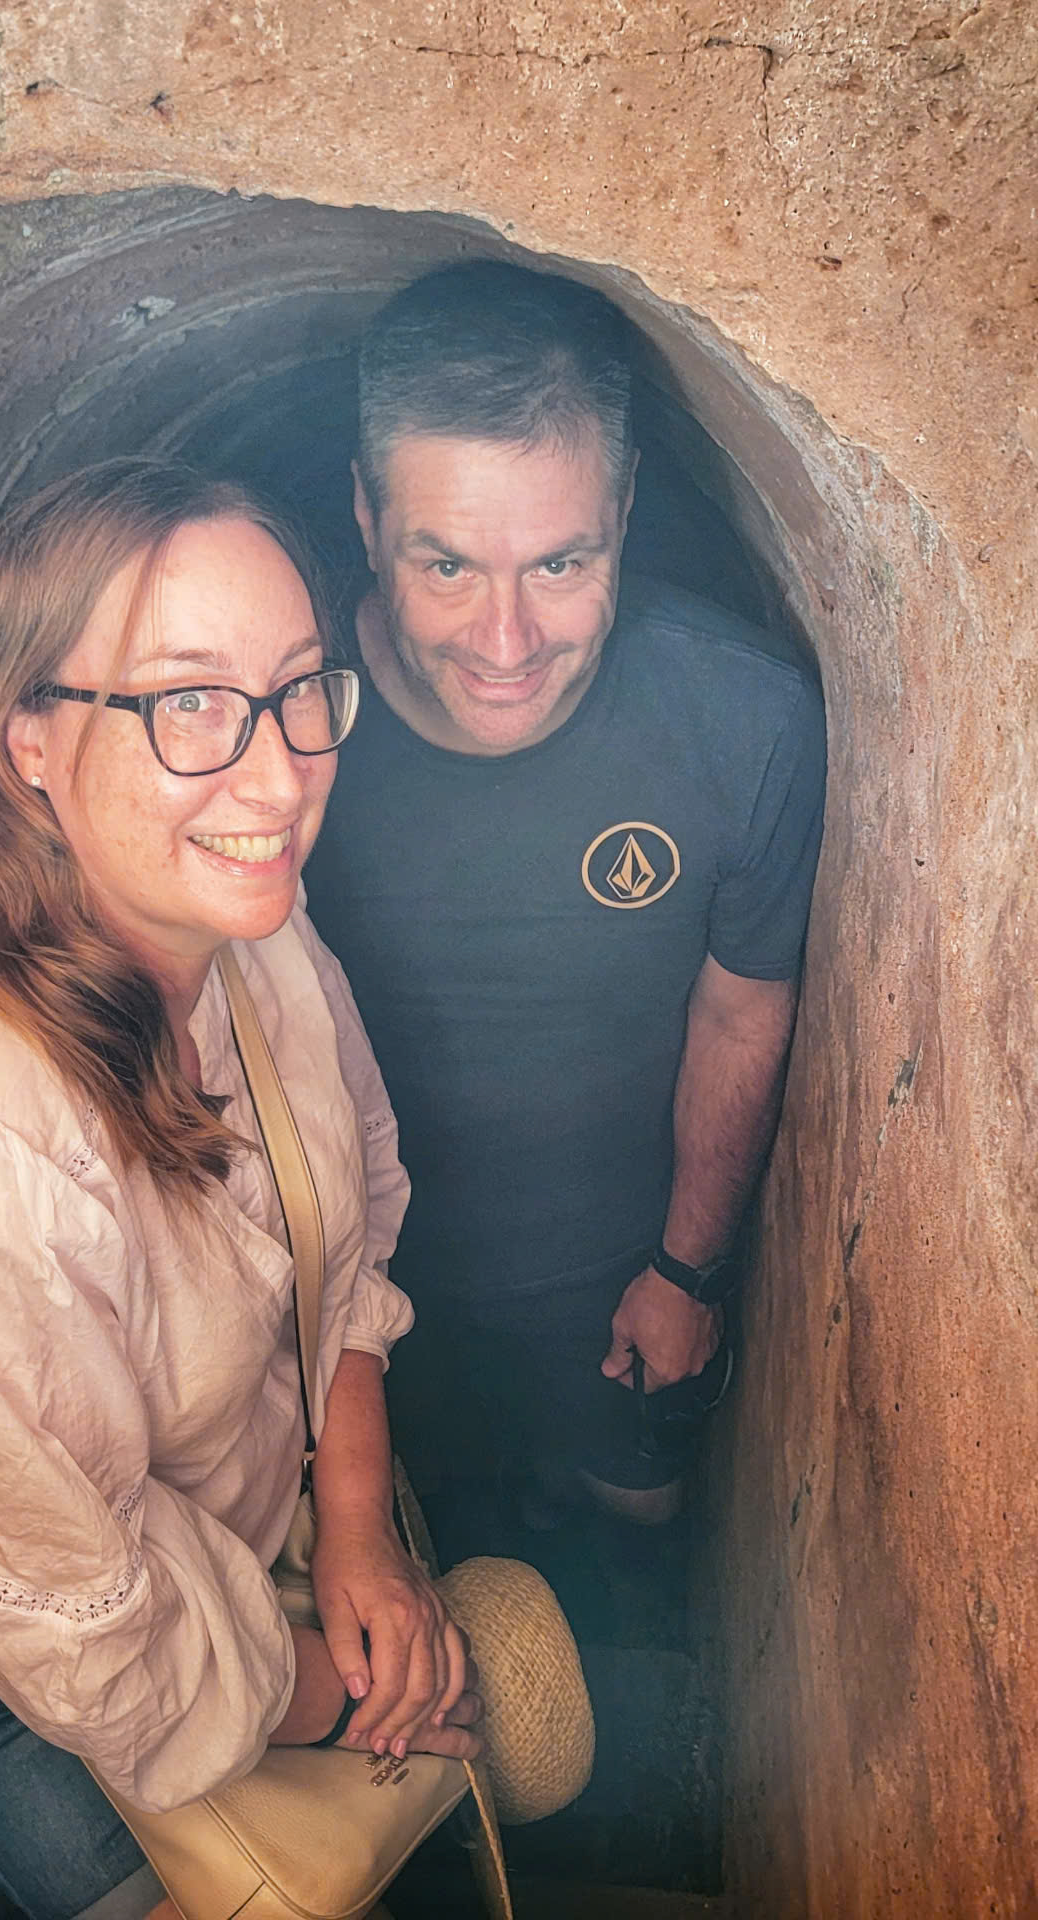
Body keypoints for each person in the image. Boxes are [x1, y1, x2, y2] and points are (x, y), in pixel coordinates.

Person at [0, 458, 481, 1920]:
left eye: (300, 687)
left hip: (243, 1572)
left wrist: (358, 1522)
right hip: (22, 1684)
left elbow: (348, 1212)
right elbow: (91, 1640)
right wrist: (360, 1703)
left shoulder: (236, 908)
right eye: (187, 703)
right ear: (27, 740)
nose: (278, 777)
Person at [301, 263, 827, 1531]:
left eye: (557, 563)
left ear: (627, 512)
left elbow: (740, 1010)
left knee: (629, 1538)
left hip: (609, 1292)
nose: (502, 642)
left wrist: (684, 1271)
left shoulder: (742, 722)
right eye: (445, 566)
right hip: (338, 1306)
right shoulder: (278, 719)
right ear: (366, 521)